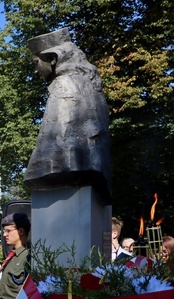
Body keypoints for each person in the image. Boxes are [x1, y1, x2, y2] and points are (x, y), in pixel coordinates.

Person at [25, 28, 112, 203]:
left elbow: (56, 139)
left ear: (52, 58)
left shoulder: (64, 84)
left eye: (36, 62)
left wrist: (37, 170)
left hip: (68, 171)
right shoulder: (91, 86)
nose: (36, 70)